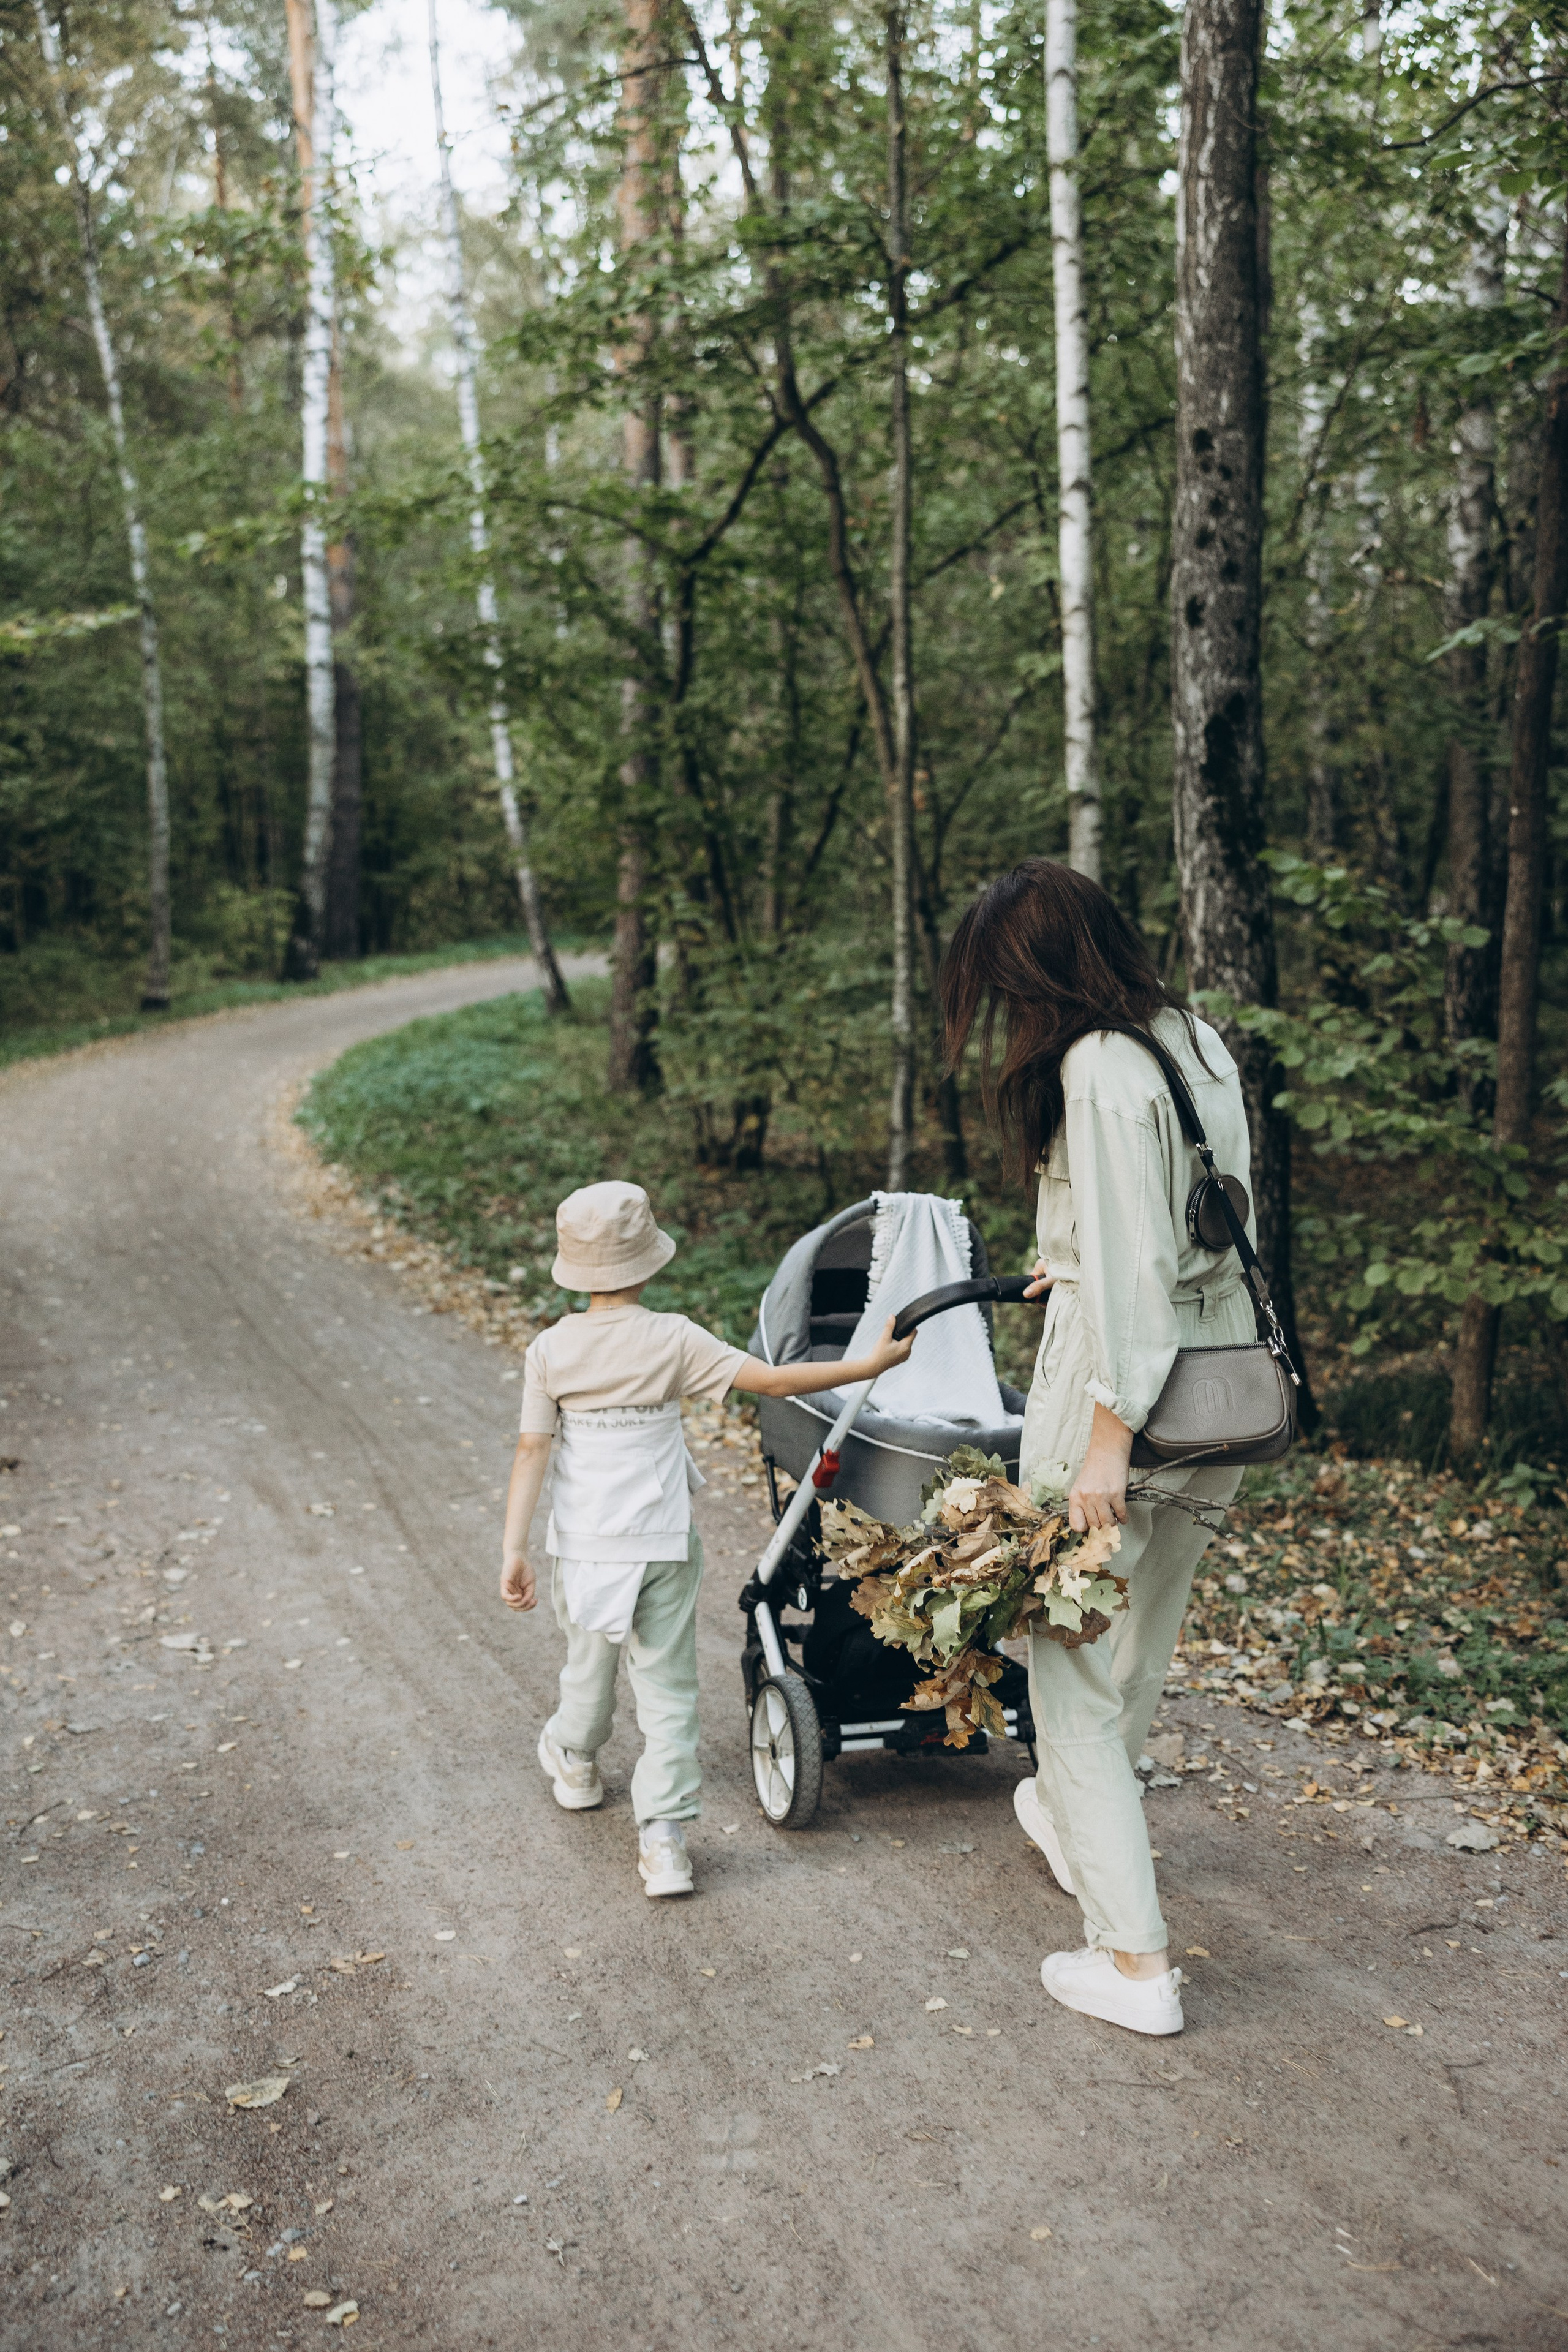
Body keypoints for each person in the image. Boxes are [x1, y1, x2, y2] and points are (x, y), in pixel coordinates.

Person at [942, 859, 1254, 2036]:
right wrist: (1063, 1258)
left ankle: (1133, 1964)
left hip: (1125, 1402)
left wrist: (1104, 1448)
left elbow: (1135, 1277)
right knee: (1142, 1645)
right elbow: (1201, 1221)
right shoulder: (1197, 1041)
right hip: (1221, 1393)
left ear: (1035, 975)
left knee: (1065, 1666)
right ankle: (1080, 1829)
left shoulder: (1096, 1065)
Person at [499, 1179, 914, 1899]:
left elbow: (532, 1450)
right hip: (661, 1541)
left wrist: (513, 1548)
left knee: (588, 1667)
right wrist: (868, 1366)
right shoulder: (673, 1337)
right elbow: (779, 1382)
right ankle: (663, 1840)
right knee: (666, 1688)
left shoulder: (550, 1350)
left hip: (586, 1546)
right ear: (647, 1263)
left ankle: (575, 1756)